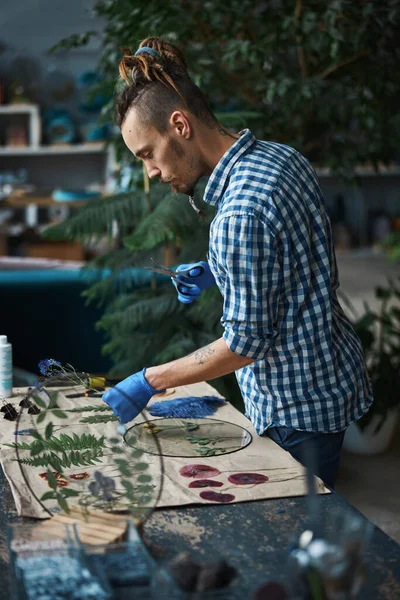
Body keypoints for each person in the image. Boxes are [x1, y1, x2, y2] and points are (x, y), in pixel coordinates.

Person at [103, 37, 373, 489]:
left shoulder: (238, 214)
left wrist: (148, 380)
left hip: (294, 410)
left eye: (148, 154)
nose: (150, 172)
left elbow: (246, 344)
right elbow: (296, 256)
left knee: (294, 542)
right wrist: (218, 270)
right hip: (330, 379)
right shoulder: (281, 158)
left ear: (180, 125)